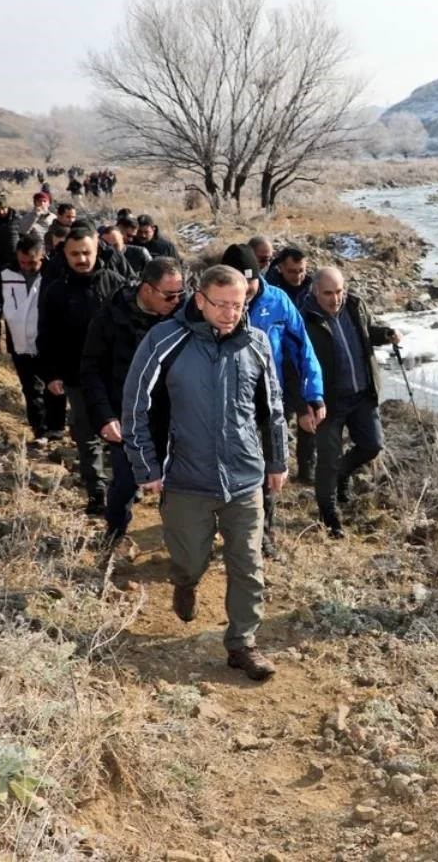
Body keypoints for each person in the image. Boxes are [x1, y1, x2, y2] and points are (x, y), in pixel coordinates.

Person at [121, 265, 288, 681]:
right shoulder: (165, 340)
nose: (232, 313)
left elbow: (274, 407)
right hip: (185, 479)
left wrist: (278, 461)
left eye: (239, 304)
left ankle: (243, 644)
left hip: (245, 479)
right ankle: (185, 580)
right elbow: (135, 405)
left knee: (248, 565)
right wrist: (147, 467)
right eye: (222, 304)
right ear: (200, 299)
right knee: (191, 559)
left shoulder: (257, 344)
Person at [224, 244, 324, 548]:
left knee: (270, 464)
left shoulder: (278, 302)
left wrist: (313, 394)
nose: (247, 291)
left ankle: (263, 533)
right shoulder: (211, 303)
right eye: (240, 285)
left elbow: (303, 349)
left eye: (251, 282)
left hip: (269, 400)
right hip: (225, 401)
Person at [79, 257, 185, 543]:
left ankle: (180, 541)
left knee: (179, 486)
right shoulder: (110, 317)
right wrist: (104, 416)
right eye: (170, 295)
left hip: (175, 417)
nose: (177, 301)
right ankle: (114, 535)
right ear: (147, 289)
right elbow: (91, 370)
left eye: (181, 294)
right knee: (125, 483)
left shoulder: (183, 318)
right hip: (128, 418)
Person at [300, 267, 399, 538]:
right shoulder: (304, 319)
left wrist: (385, 334)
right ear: (315, 292)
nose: (335, 298)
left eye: (340, 291)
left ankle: (342, 475)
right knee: (328, 460)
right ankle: (329, 515)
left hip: (362, 394)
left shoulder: (355, 305)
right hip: (327, 402)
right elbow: (295, 364)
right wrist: (302, 405)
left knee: (372, 445)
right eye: (328, 293)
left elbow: (366, 333)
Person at [37, 227, 126, 515]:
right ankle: (97, 493)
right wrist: (51, 374)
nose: (82, 259)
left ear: (97, 249)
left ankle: (125, 488)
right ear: (65, 254)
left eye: (87, 252)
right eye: (75, 254)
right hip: (76, 377)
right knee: (87, 437)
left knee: (121, 435)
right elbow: (46, 335)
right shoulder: (56, 291)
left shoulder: (117, 285)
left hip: (116, 378)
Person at [0, 233, 66, 444]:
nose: (27, 266)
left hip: (50, 343)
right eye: (23, 262)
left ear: (43, 256)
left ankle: (56, 429)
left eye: (32, 262)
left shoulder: (55, 273)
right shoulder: (6, 274)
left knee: (54, 387)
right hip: (19, 342)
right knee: (31, 389)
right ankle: (40, 430)